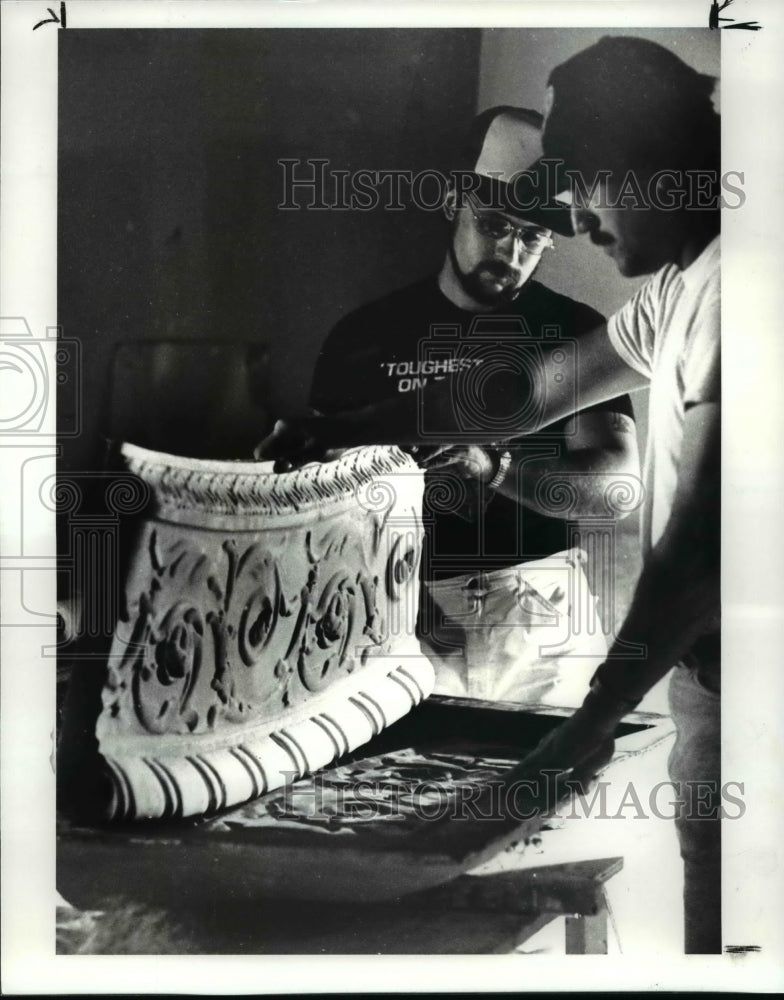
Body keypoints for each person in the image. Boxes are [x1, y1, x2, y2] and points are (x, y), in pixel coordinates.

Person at [258, 37, 721, 954]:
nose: (576, 225)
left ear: (648, 170)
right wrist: (351, 426)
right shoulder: (676, 288)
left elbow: (697, 547)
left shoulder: (736, 292)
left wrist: (590, 725)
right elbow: (525, 392)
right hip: (699, 684)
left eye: (584, 192)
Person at [304, 106, 639, 707]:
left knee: (549, 794)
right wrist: (383, 591)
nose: (510, 254)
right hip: (397, 609)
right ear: (450, 203)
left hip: (541, 614)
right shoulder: (365, 335)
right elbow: (320, 491)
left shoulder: (573, 331)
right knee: (402, 793)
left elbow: (616, 486)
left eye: (533, 237)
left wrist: (498, 469)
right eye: (493, 224)